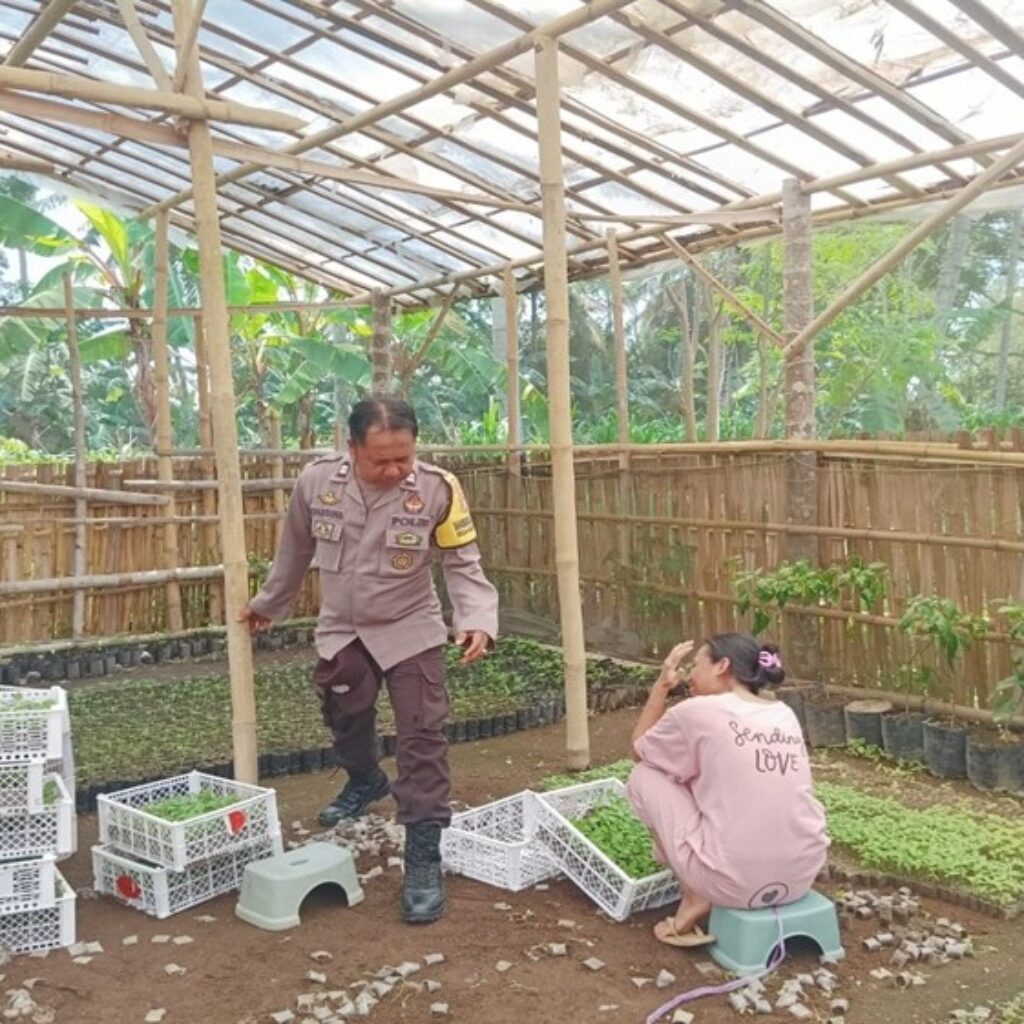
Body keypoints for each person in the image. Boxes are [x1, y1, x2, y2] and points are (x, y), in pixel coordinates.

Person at [240, 396, 498, 924]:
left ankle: (423, 854)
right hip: (343, 628)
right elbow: (293, 552)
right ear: (351, 446)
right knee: (345, 716)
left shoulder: (438, 489)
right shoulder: (315, 483)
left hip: (411, 628)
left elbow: (463, 562)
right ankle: (364, 778)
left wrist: (475, 618)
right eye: (379, 459)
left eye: (402, 457)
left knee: (422, 736)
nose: (393, 469)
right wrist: (269, 604)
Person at [626, 633, 829, 948]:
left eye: (696, 666)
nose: (689, 676)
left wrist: (663, 686)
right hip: (801, 877)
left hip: (732, 885)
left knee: (643, 775)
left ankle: (694, 898)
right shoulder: (783, 713)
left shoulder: (697, 711)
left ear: (722, 666)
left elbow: (640, 750)